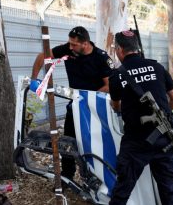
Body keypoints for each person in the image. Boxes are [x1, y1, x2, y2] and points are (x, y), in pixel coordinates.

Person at [30, 26, 113, 182]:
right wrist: (34, 79)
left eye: (74, 44)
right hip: (74, 105)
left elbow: (109, 86)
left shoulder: (101, 57)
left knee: (94, 143)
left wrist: (86, 97)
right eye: (70, 43)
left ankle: (95, 178)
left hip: (95, 106)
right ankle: (67, 176)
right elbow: (42, 56)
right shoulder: (68, 50)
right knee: (67, 141)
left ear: (85, 43)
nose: (70, 47)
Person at [108, 30, 173, 205]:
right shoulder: (157, 67)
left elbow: (116, 105)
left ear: (119, 49)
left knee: (122, 191)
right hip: (163, 136)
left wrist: (118, 107)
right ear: (137, 47)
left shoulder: (117, 76)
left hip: (136, 141)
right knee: (170, 190)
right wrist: (164, 115)